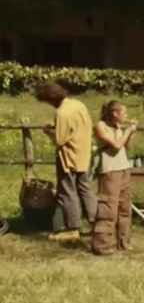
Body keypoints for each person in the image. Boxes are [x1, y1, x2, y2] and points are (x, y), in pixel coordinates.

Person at [37, 81, 98, 242]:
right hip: (83, 154)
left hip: (69, 158)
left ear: (51, 98)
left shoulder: (62, 113)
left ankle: (72, 228)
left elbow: (59, 140)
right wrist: (57, 126)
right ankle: (97, 224)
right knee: (85, 189)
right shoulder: (78, 105)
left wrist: (48, 132)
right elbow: (76, 126)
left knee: (67, 192)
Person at [91, 100, 138, 255]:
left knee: (125, 207)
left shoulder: (118, 127)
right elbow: (116, 145)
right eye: (123, 113)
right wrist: (128, 131)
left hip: (123, 168)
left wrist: (131, 133)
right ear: (114, 113)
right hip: (110, 170)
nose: (126, 115)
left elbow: (126, 146)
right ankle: (103, 244)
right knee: (109, 208)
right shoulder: (100, 127)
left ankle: (123, 242)